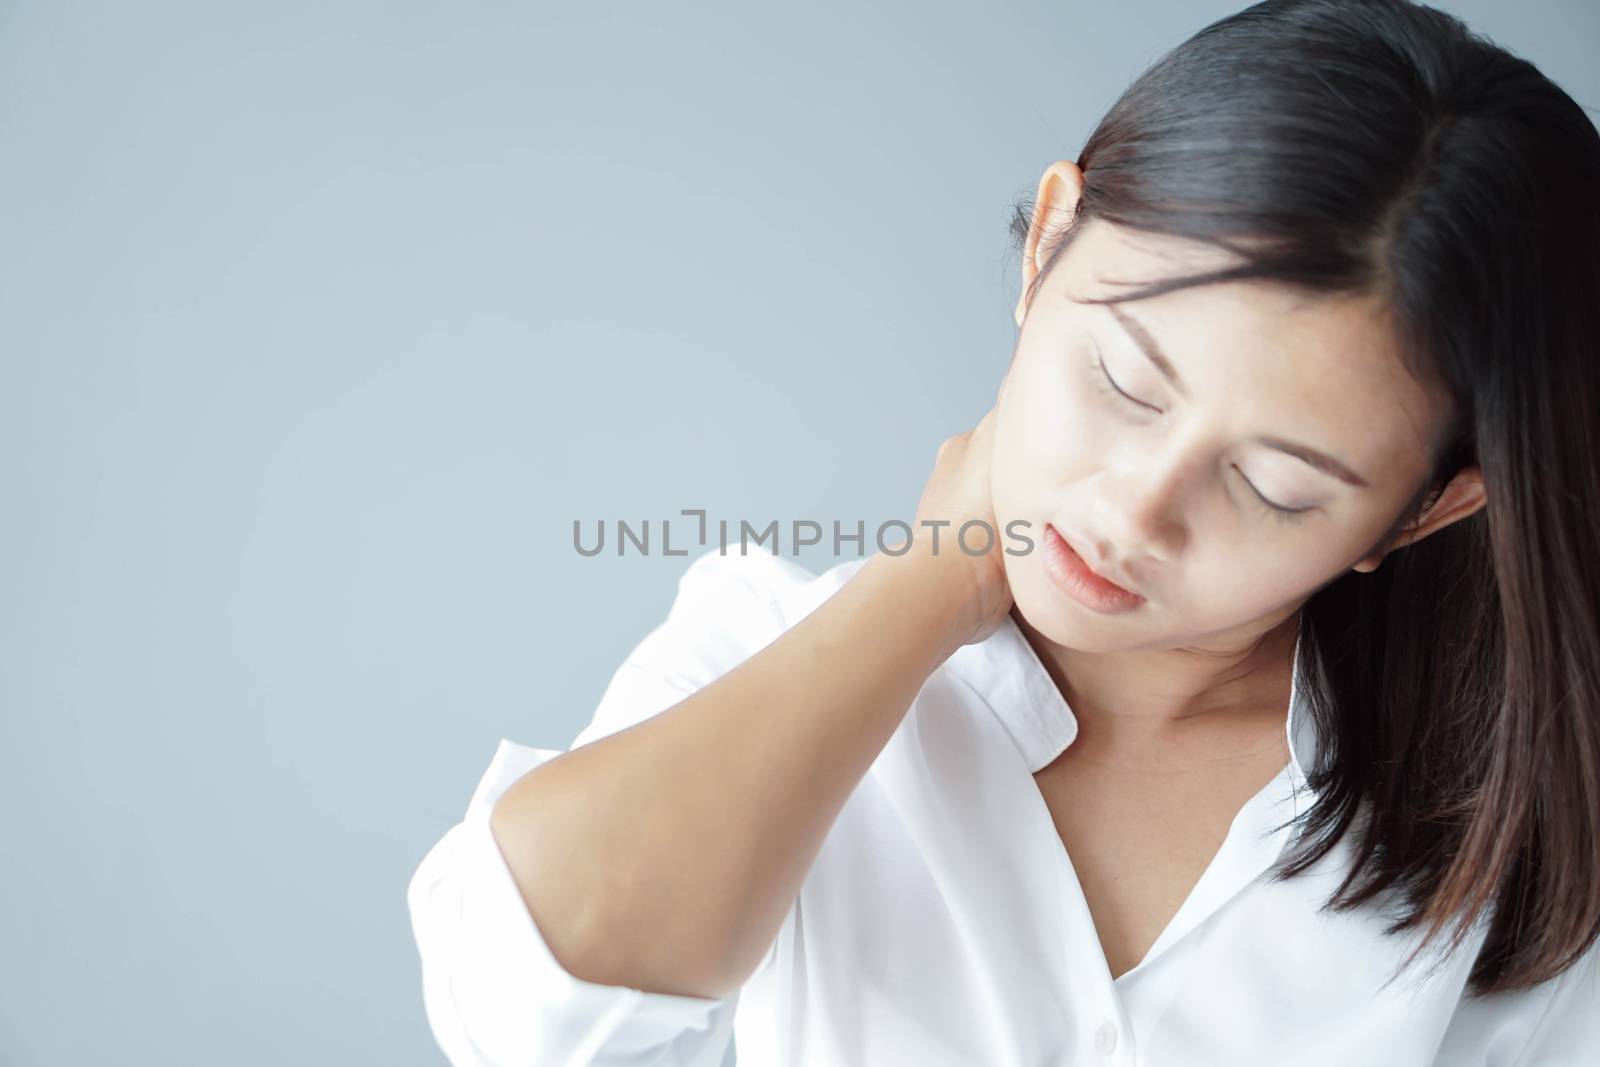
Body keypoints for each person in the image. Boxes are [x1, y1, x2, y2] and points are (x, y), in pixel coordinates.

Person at [406, 1, 1600, 1063]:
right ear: (1046, 242)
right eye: (1125, 382)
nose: (1133, 509)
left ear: (1430, 505)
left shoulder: (1510, 822)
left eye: (1274, 486)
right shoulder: (767, 641)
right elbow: (524, 1018)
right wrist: (927, 587)